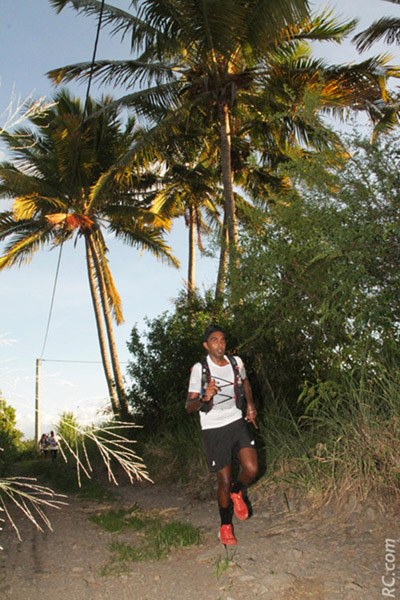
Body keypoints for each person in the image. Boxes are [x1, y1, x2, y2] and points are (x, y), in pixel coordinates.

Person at [186, 324, 258, 546]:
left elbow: (245, 383)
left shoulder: (236, 363)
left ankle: (238, 492)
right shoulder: (200, 369)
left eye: (223, 340)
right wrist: (205, 397)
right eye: (214, 341)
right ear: (206, 345)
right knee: (224, 480)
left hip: (236, 420)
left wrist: (250, 407)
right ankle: (225, 525)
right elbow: (189, 406)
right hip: (213, 428)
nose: (220, 344)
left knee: (252, 468)